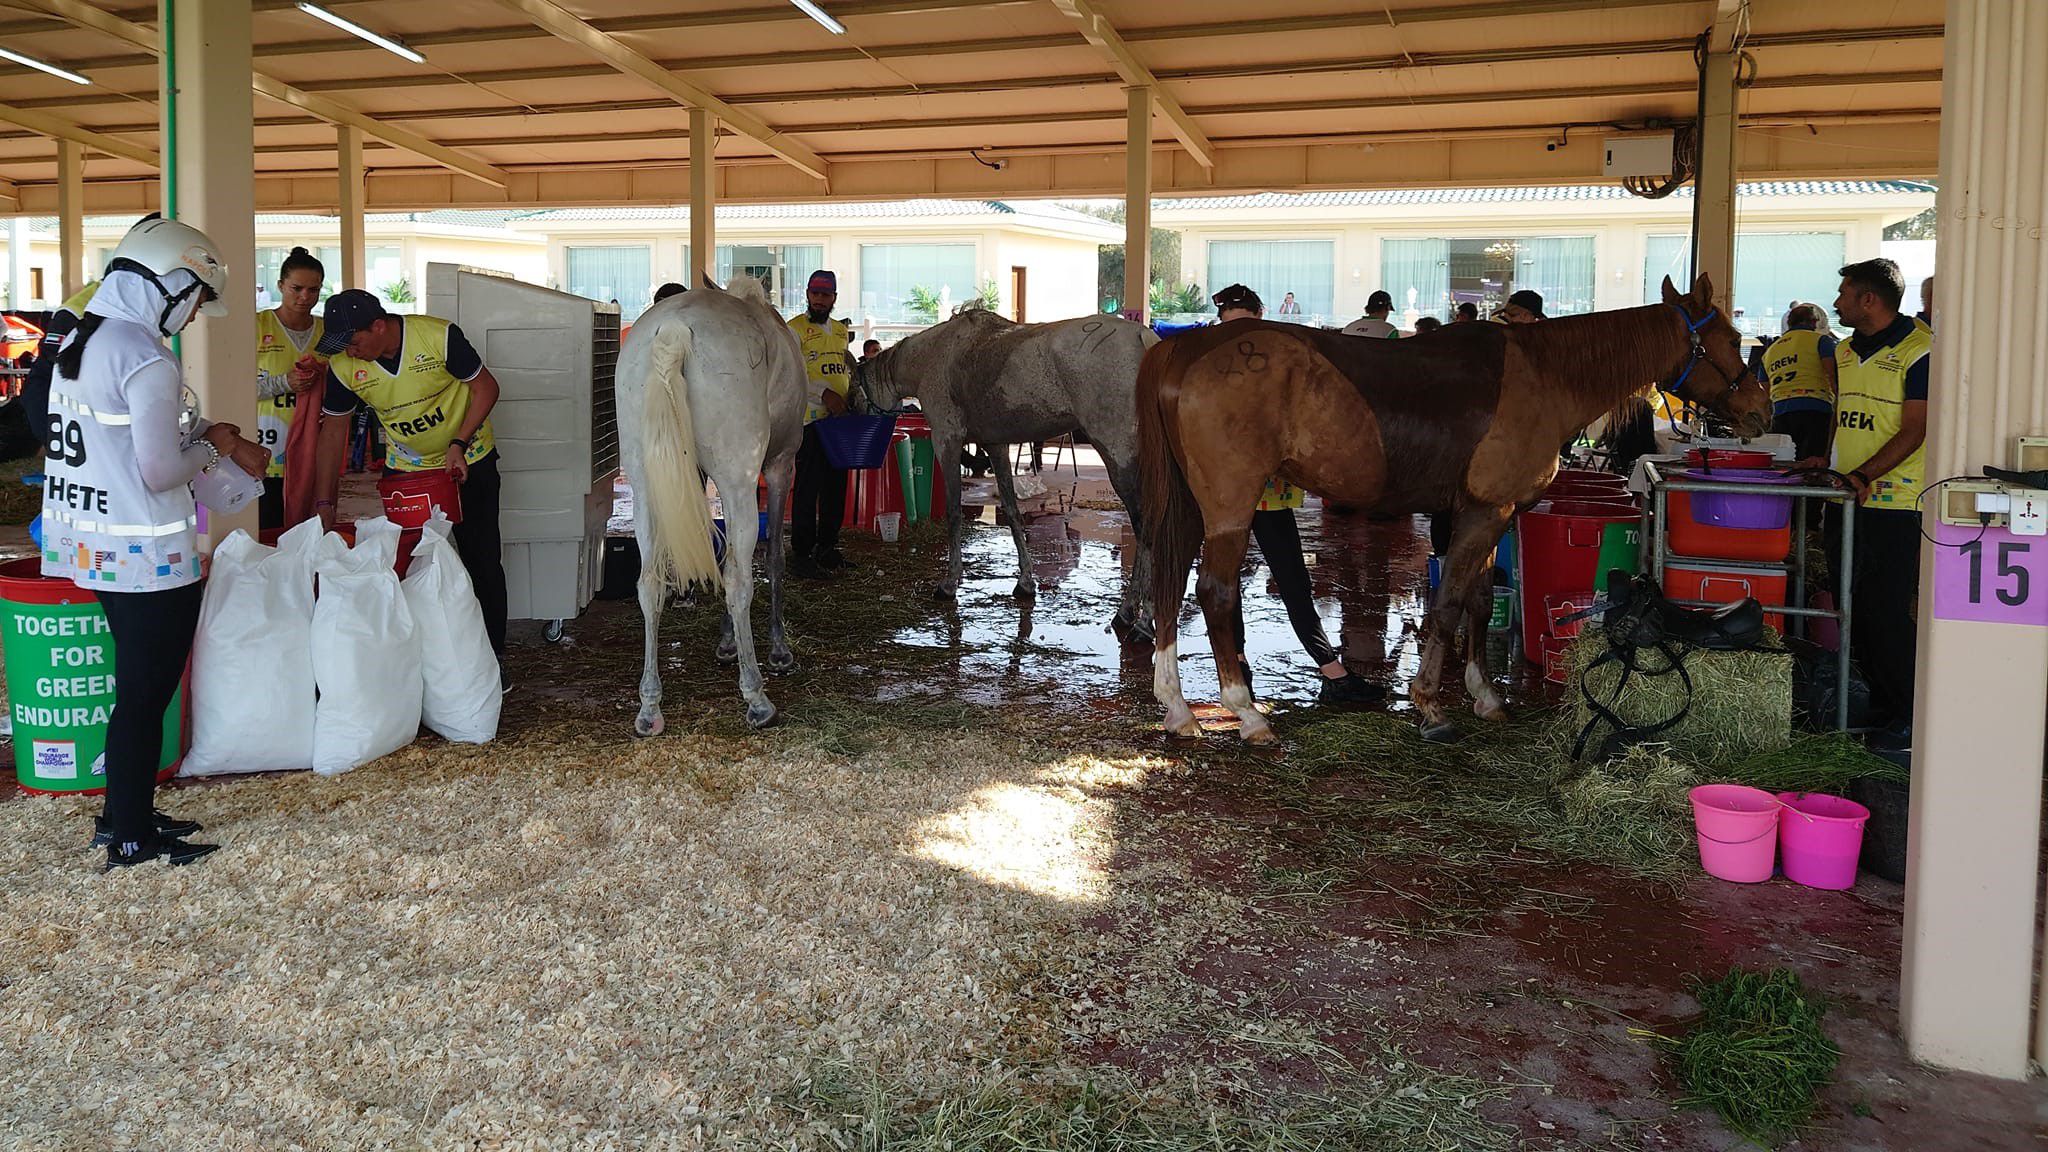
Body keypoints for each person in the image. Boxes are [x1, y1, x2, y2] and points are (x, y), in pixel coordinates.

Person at [43, 218, 266, 868]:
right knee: (144, 698)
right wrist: (213, 447)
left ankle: (124, 813)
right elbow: (161, 470)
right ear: (168, 282)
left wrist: (196, 436)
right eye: (195, 295)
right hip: (148, 557)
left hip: (95, 546)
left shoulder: (86, 338)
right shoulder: (144, 353)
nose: (195, 314)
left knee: (133, 692)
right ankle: (132, 839)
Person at [310, 289, 509, 668]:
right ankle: (419, 660)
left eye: (354, 341)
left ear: (379, 327)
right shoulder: (343, 367)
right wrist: (325, 503)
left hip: (470, 459)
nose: (349, 352)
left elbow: (486, 388)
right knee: (406, 561)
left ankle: (492, 658)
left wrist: (458, 443)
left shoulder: (437, 337)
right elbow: (333, 433)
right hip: (408, 471)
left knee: (481, 558)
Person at [1209, 283, 1381, 705]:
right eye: (1230, 326)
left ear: (1261, 315)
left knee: (1290, 578)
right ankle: (1241, 665)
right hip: (1233, 493)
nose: (1238, 335)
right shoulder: (1217, 367)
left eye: (1244, 323)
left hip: (1261, 495)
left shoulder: (1270, 360)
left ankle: (1329, 670)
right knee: (1227, 579)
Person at [1827, 258, 1930, 749]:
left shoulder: (1921, 350)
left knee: (1885, 611)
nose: (1837, 302)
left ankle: (1910, 715)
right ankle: (1882, 709)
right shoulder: (1844, 352)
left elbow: (1916, 429)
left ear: (1869, 299)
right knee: (1851, 606)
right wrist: (1823, 461)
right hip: (1845, 497)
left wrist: (1864, 474)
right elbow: (1843, 415)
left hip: (1895, 502)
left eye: (1845, 293)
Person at [787, 269, 857, 579]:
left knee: (836, 486)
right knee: (807, 487)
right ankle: (801, 554)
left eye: (825, 294)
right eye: (814, 293)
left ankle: (828, 547)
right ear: (807, 294)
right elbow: (793, 375)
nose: (818, 299)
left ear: (834, 298)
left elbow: (843, 368)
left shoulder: (841, 331)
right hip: (808, 420)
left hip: (839, 421)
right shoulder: (794, 330)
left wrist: (849, 395)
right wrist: (824, 393)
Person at [254, 247, 326, 531]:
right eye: (296, 288)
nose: (304, 297)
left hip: (312, 453)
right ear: (280, 285)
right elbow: (231, 388)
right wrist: (284, 383)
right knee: (267, 532)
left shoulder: (326, 331)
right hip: (264, 453)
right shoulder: (256, 326)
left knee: (305, 534)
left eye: (314, 290)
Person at [1761, 302, 1837, 461]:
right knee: (1812, 463)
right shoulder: (1822, 340)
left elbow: (1765, 390)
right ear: (1815, 322)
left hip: (1780, 413)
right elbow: (1832, 375)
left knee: (1785, 464)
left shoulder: (1770, 351)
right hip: (1816, 409)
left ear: (1789, 323)